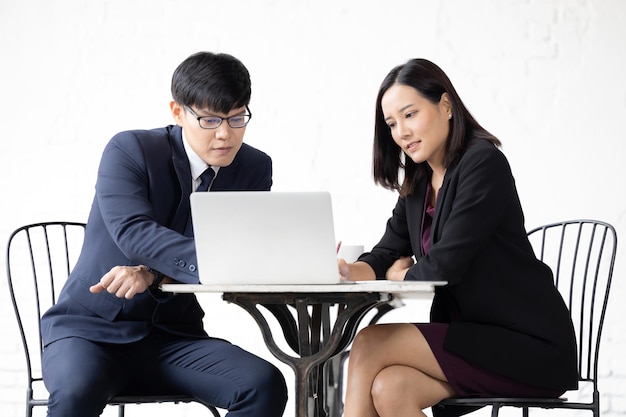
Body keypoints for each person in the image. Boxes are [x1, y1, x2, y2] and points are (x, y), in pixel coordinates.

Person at [40, 51, 288, 417]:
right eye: (209, 119)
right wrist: (226, 260)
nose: (225, 133)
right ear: (178, 112)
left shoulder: (253, 167)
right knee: (76, 394)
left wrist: (152, 274)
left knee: (264, 384)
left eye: (238, 118)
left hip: (173, 337)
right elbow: (134, 233)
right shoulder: (130, 150)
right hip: (90, 331)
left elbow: (238, 250)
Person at [338, 59, 578, 417]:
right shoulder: (418, 183)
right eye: (391, 123)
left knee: (370, 342)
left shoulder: (483, 164)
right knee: (391, 388)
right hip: (472, 338)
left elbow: (445, 265)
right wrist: (348, 270)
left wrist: (398, 276)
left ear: (446, 106)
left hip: (526, 343)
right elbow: (388, 250)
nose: (401, 132)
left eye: (410, 114)